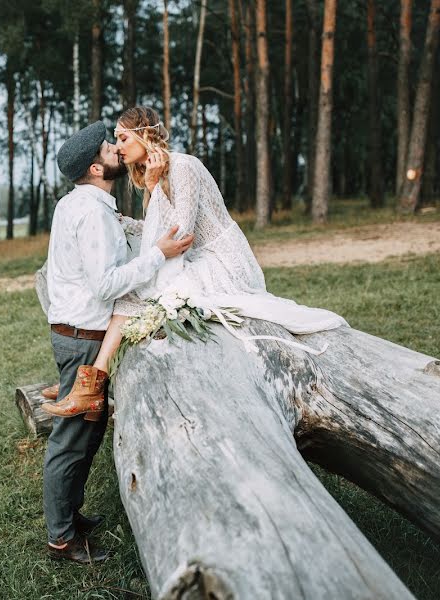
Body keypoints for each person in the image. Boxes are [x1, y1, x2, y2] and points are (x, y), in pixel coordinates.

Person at [42, 106, 347, 419]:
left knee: (132, 293)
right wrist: (142, 201)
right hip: (186, 255)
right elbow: (157, 230)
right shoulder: (154, 173)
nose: (117, 147)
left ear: (145, 137)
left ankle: (90, 383)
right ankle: (89, 384)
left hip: (216, 260)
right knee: (131, 292)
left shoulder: (184, 166)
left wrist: (154, 187)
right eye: (114, 141)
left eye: (121, 138)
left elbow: (181, 235)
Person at [42, 120, 194, 563]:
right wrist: (158, 256)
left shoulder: (82, 204)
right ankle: (62, 538)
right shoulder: (90, 212)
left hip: (75, 331)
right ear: (95, 167)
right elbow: (106, 283)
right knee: (72, 439)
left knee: (86, 436)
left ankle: (69, 514)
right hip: (83, 336)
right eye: (108, 147)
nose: (115, 148)